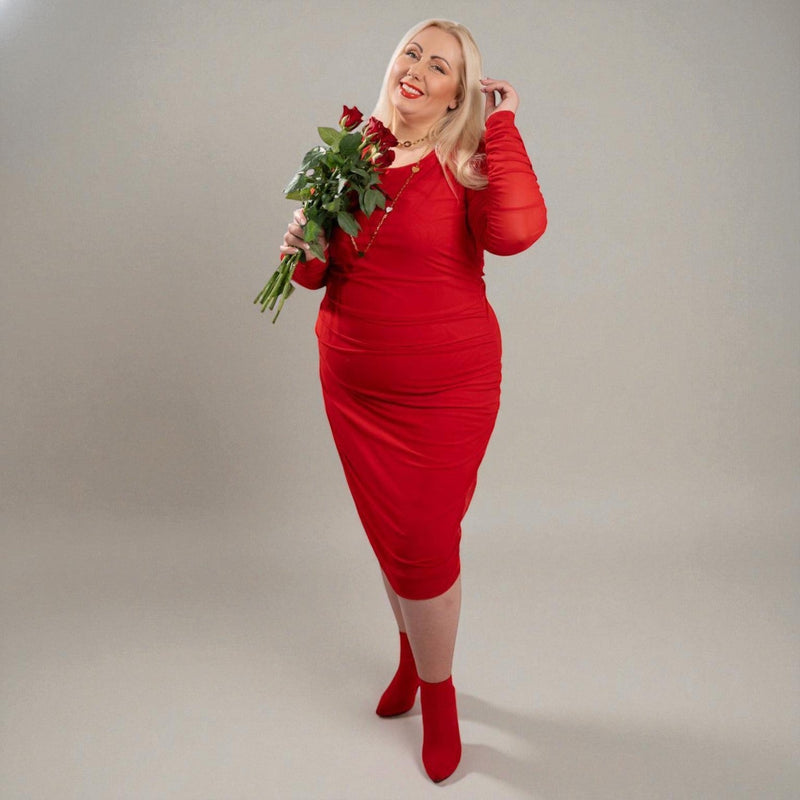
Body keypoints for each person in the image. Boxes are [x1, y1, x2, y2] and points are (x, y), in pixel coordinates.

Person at [280, 18, 546, 783]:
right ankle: (408, 660)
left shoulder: (469, 161)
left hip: (447, 390)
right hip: (353, 385)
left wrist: (502, 126)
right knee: (390, 537)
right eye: (411, 55)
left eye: (441, 66)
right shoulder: (351, 153)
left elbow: (519, 231)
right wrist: (302, 243)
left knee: (424, 545)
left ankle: (440, 697)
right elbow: (315, 279)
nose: (419, 71)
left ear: (458, 91)